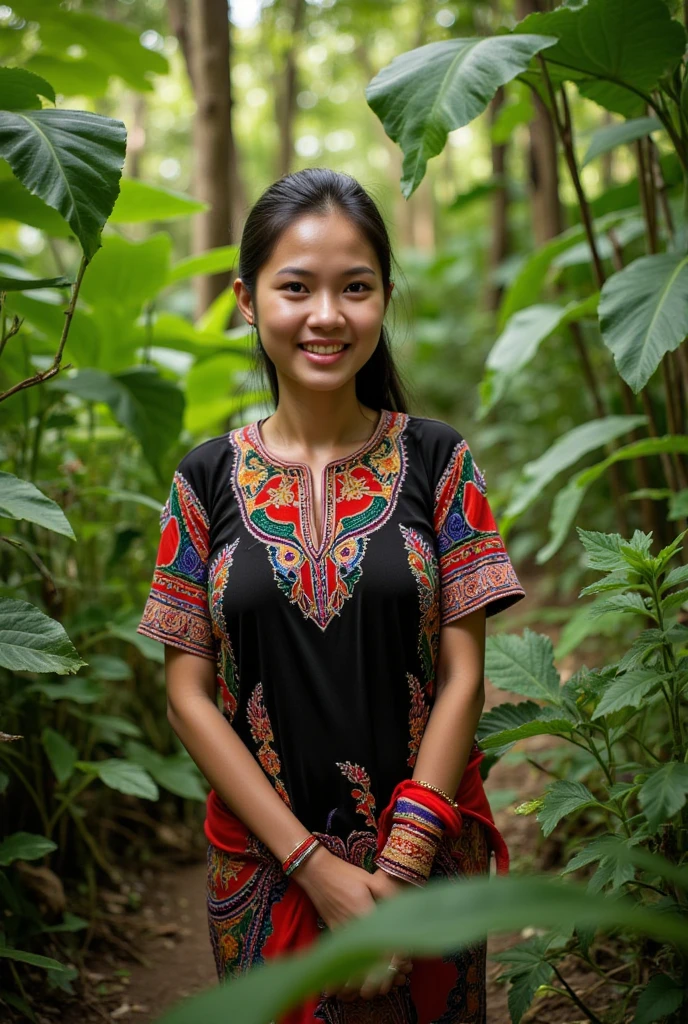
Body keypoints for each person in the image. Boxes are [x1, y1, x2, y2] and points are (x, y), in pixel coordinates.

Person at [137, 167, 526, 1023]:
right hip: (264, 873)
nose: (326, 315)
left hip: (426, 872)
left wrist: (397, 872)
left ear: (384, 295)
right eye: (296, 288)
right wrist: (318, 869)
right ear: (247, 299)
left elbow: (464, 677)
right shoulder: (203, 481)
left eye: (355, 287)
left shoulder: (440, 460)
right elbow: (186, 698)